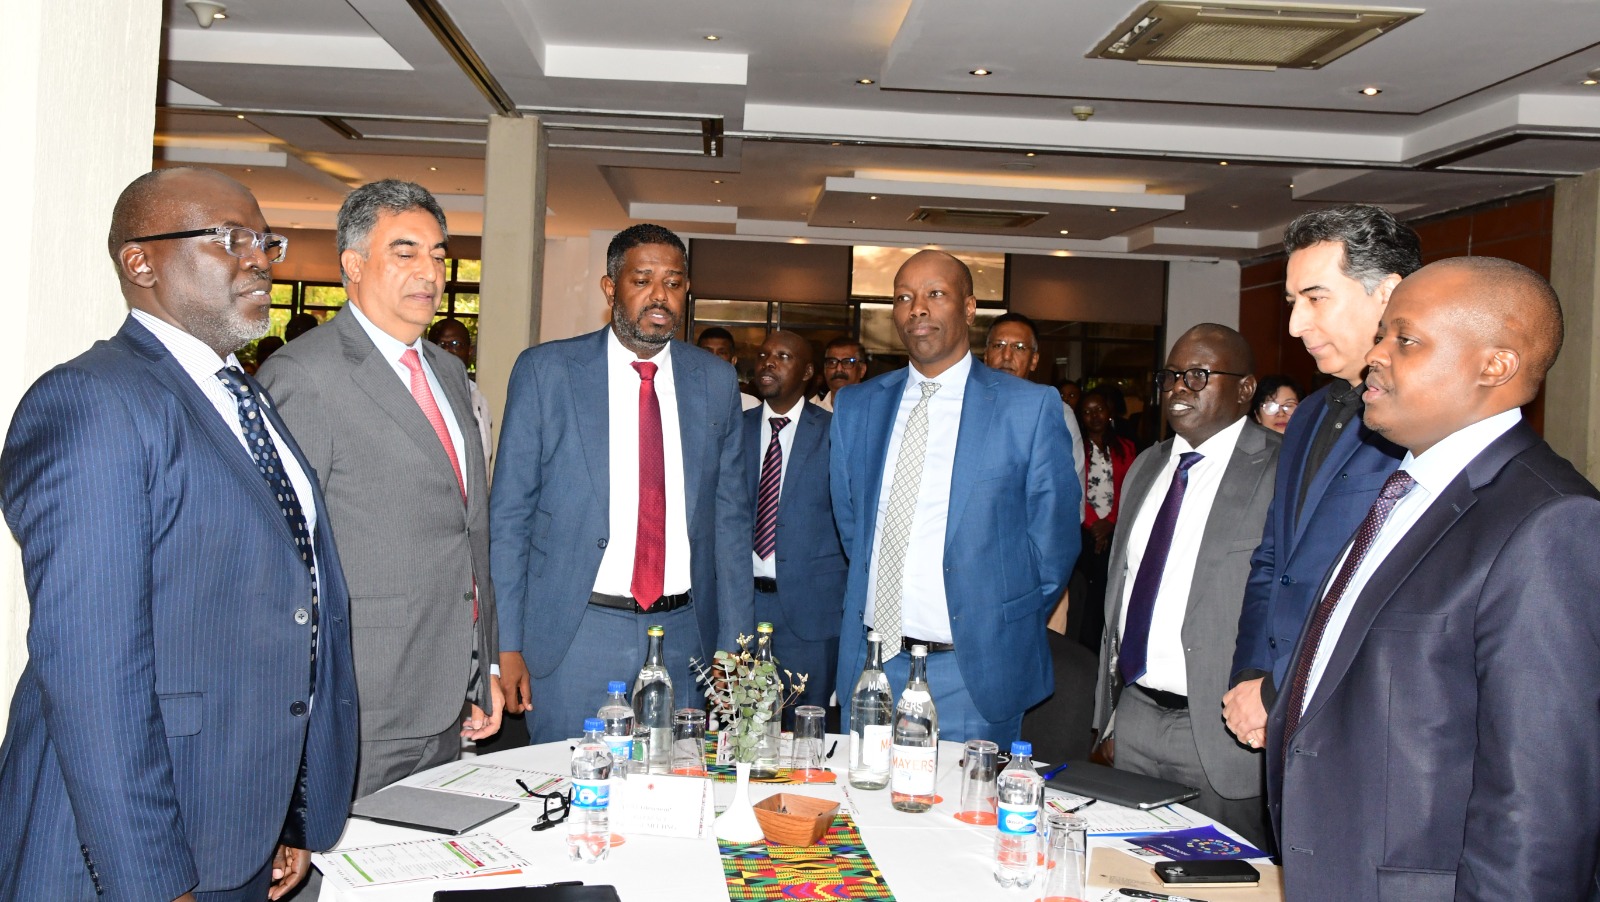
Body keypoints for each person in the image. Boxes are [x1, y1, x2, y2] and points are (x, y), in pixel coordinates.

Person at [0, 167, 358, 901]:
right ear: (141, 262)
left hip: (237, 820)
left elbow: (288, 608)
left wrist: (286, 809)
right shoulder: (95, 400)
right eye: (231, 239)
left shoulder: (240, 396)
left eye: (265, 242)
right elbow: (91, 671)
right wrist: (152, 880)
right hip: (133, 848)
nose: (259, 260)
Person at [1269, 257, 1600, 899]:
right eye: (1381, 336)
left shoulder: (1551, 523)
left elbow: (1539, 810)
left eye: (1406, 340)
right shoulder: (1408, 490)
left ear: (1494, 365)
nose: (1375, 356)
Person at [258, 180, 500, 799]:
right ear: (354, 264)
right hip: (360, 701)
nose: (430, 272)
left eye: (438, 255)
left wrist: (484, 666)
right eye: (405, 252)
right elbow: (279, 556)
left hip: (447, 695)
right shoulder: (305, 375)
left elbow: (469, 534)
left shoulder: (449, 372)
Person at [491, 224, 753, 743]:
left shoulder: (714, 381)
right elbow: (510, 516)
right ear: (611, 288)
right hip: (577, 632)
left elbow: (730, 522)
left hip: (684, 636)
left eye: (674, 283)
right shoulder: (548, 371)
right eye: (643, 280)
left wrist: (735, 647)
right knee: (568, 781)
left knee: (674, 783)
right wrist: (507, 643)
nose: (660, 295)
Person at [830, 250, 1079, 745]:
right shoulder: (857, 406)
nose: (917, 308)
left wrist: (997, 621)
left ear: (968, 308)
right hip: (873, 664)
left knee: (967, 799)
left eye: (935, 294)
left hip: (972, 672)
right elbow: (853, 527)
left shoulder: (1027, 408)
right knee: (864, 796)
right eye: (904, 297)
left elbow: (1053, 546)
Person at [1223, 204, 1420, 751]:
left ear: (1387, 293)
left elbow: (1387, 596)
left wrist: (1281, 689)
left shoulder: (1423, 425)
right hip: (1283, 717)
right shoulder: (1308, 414)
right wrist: (1253, 675)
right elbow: (1274, 560)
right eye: (1293, 302)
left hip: (1365, 723)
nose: (1295, 325)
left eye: (1316, 298)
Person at [1092, 325, 1280, 850]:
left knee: (1217, 877)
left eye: (1198, 375)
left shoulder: (1279, 468)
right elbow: (1123, 592)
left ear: (1245, 389)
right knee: (1125, 869)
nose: (1179, 387)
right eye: (1171, 375)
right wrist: (1109, 717)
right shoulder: (1148, 465)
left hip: (1220, 731)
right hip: (1135, 715)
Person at [745, 330, 847, 714]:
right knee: (744, 727)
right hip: (744, 608)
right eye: (763, 355)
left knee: (807, 730)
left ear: (807, 372)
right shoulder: (734, 428)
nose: (769, 362)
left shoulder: (835, 432)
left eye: (783, 356)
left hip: (811, 615)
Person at [983, 312, 1086, 512]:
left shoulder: (1057, 412)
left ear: (1034, 360)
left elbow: (1068, 493)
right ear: (986, 355)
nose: (1007, 356)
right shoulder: (964, 407)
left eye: (1019, 347)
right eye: (998, 345)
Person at [1073, 386, 1137, 652]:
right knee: (1084, 595)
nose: (1094, 416)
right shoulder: (1076, 448)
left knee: (1110, 592)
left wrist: (1110, 522)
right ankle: (1084, 649)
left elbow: (1130, 488)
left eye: (1099, 409)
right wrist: (1092, 525)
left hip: (1115, 530)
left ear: (1108, 412)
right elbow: (1074, 488)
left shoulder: (1126, 447)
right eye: (1087, 412)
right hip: (1083, 531)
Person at [428, 317, 493, 469]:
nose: (447, 350)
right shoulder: (422, 394)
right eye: (440, 344)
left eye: (456, 344)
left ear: (470, 351)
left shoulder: (477, 399)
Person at [698, 325, 760, 410]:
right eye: (707, 352)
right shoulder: (682, 400)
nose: (713, 358)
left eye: (721, 353)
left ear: (733, 361)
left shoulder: (751, 405)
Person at [816, 336, 868, 412]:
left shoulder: (876, 411)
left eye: (847, 362)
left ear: (862, 370)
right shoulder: (811, 414)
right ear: (824, 369)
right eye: (832, 362)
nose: (839, 369)